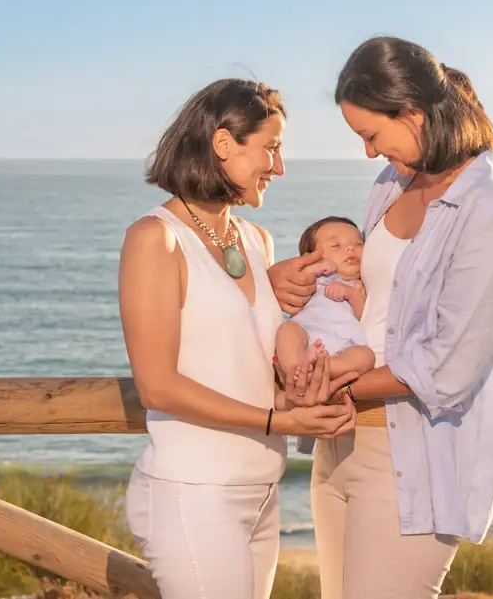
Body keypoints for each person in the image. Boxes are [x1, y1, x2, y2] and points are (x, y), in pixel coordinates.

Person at [268, 37, 493, 599]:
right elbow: (365, 295)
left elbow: (451, 364)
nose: (368, 152)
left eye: (371, 135)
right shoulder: (393, 183)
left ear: (412, 112)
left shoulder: (487, 205)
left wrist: (329, 384)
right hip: (341, 441)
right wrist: (285, 282)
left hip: (413, 450)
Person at [118, 78, 356, 599]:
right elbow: (158, 387)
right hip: (195, 494)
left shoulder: (255, 241)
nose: (280, 166)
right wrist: (277, 419)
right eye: (270, 148)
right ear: (223, 144)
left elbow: (249, 366)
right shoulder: (155, 239)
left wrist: (304, 396)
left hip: (262, 490)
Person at [275, 216, 375, 395]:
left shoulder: (359, 285)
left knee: (366, 357)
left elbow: (364, 317)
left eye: (358, 244)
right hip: (306, 331)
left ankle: (318, 368)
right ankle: (294, 368)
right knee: (287, 331)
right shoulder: (313, 277)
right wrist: (315, 267)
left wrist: (351, 295)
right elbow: (295, 282)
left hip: (345, 342)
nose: (350, 248)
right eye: (336, 246)